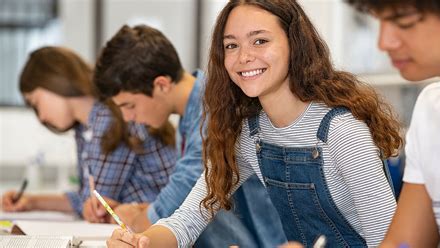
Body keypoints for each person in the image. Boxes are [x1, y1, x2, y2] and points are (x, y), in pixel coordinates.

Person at [107, 0, 404, 247]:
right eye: (231, 46)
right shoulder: (250, 135)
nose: (243, 57)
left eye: (260, 41)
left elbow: (392, 242)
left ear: (294, 44)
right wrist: (141, 242)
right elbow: (186, 220)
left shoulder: (342, 132)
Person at [93, 24, 286, 247]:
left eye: (129, 105)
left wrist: (134, 221)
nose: (127, 117)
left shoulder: (213, 110)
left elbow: (179, 197)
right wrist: (138, 209)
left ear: (162, 85)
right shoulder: (191, 112)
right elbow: (189, 205)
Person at [346, 0, 440, 247]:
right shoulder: (432, 108)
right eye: (379, 19)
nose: (384, 42)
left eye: (404, 20)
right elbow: (404, 243)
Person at [1, 46, 177, 219]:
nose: (41, 117)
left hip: (165, 227)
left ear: (54, 81)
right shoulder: (86, 127)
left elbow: (96, 205)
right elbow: (88, 198)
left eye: (36, 103)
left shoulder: (110, 118)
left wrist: (37, 202)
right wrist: (31, 202)